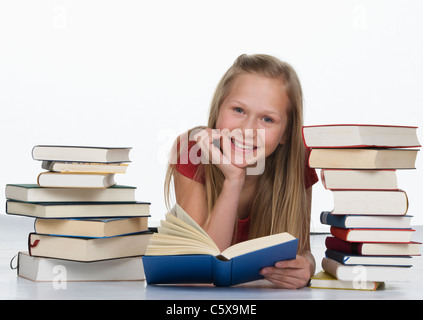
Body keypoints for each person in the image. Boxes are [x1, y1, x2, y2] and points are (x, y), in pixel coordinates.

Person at [164, 54, 319, 289]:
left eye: (267, 119)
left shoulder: (299, 158)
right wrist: (233, 179)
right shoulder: (191, 149)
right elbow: (205, 263)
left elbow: (303, 249)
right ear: (217, 111)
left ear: (286, 133)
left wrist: (307, 265)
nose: (247, 129)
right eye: (238, 110)